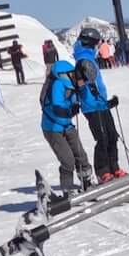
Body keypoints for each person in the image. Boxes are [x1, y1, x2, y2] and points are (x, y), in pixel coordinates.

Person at [73, 29, 124, 183]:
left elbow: (94, 83)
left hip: (100, 104)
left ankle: (114, 167)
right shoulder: (83, 59)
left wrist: (106, 102)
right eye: (95, 43)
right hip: (92, 106)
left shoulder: (88, 58)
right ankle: (103, 171)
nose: (97, 46)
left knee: (112, 135)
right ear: (89, 43)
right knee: (102, 138)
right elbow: (80, 84)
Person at [40, 55, 93, 192]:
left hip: (67, 124)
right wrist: (69, 111)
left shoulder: (74, 83)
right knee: (68, 160)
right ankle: (67, 189)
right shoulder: (59, 83)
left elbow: (87, 100)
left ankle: (86, 183)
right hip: (52, 128)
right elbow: (57, 106)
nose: (84, 84)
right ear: (78, 75)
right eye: (84, 81)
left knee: (81, 155)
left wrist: (106, 104)